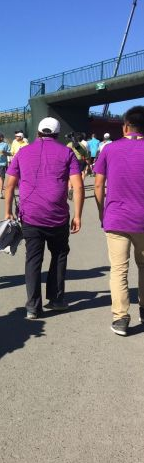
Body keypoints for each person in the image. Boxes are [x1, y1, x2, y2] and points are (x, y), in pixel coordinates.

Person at [4, 117, 84, 319]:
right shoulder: (66, 152)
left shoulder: (22, 152)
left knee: (33, 259)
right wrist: (78, 215)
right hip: (57, 216)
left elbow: (9, 185)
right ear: (57, 134)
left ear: (38, 132)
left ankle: (33, 307)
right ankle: (56, 299)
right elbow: (78, 185)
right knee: (59, 254)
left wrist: (8, 211)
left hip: (30, 215)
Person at [94, 106, 144, 336]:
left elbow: (98, 184)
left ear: (125, 127)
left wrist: (101, 212)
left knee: (119, 269)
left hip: (116, 217)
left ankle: (121, 318)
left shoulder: (109, 149)